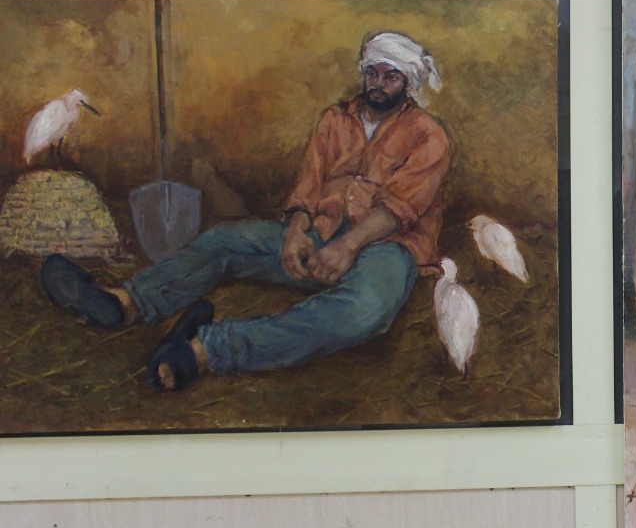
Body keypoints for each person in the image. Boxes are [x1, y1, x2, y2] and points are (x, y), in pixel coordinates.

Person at [41, 31, 453, 392]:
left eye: (390, 76)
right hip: (324, 231)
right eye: (372, 73)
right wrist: (296, 231)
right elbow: (310, 185)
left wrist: (347, 247)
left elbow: (400, 207)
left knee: (363, 312)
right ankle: (125, 303)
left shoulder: (429, 135)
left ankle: (206, 349)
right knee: (227, 240)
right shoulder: (335, 118)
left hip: (387, 247)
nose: (378, 84)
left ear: (408, 83)